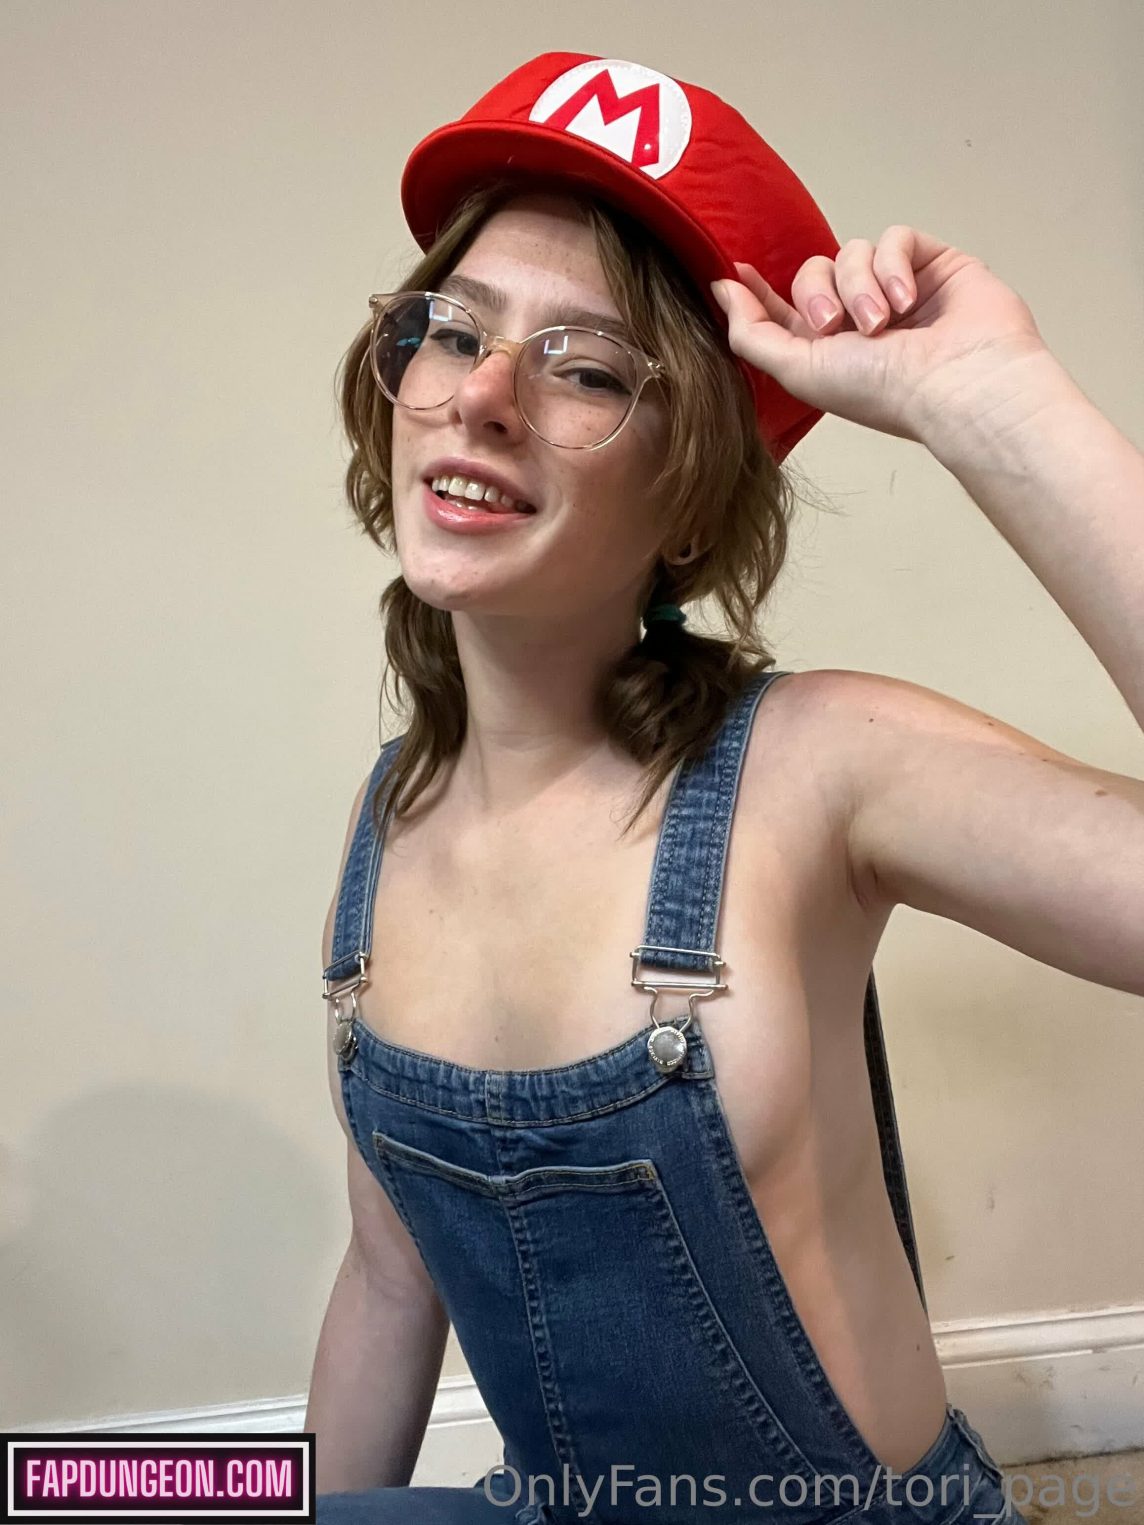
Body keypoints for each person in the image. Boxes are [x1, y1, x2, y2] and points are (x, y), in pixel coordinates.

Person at [306, 52, 1144, 1525]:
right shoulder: (390, 821)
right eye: (455, 331)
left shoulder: (817, 764)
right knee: (104, 1499)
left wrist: (1000, 409)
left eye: (584, 366)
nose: (481, 397)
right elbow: (386, 1279)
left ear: (693, 492)